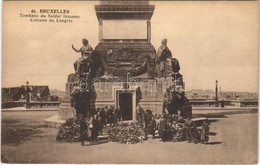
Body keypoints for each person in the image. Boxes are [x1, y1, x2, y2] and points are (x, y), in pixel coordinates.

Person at [70, 81, 91, 146]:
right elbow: (72, 97)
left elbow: (88, 102)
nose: (82, 87)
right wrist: (75, 89)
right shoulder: (76, 93)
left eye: (83, 86)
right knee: (81, 125)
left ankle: (84, 139)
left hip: (84, 110)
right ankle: (82, 139)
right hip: (78, 109)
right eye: (82, 86)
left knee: (84, 126)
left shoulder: (86, 93)